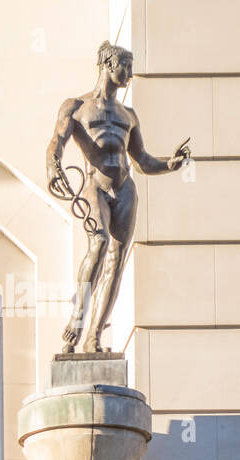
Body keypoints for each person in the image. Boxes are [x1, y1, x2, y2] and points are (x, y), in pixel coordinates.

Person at [46, 42, 190, 353]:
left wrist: (170, 164)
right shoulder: (76, 107)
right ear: (108, 65)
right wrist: (52, 166)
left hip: (125, 188)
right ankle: (77, 318)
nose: (130, 74)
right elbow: (56, 142)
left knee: (116, 260)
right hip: (96, 184)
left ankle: (94, 336)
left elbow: (142, 160)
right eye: (126, 66)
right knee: (98, 243)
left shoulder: (129, 115)